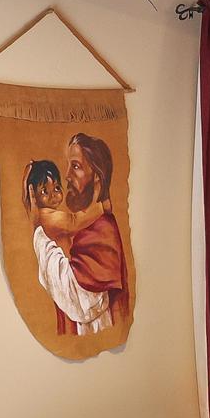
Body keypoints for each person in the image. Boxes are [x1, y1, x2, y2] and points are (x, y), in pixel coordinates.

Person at [27, 137, 127, 337]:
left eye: (76, 166)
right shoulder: (50, 216)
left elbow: (84, 297)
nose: (67, 176)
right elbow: (73, 221)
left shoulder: (102, 228)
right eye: (44, 191)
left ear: (96, 176)